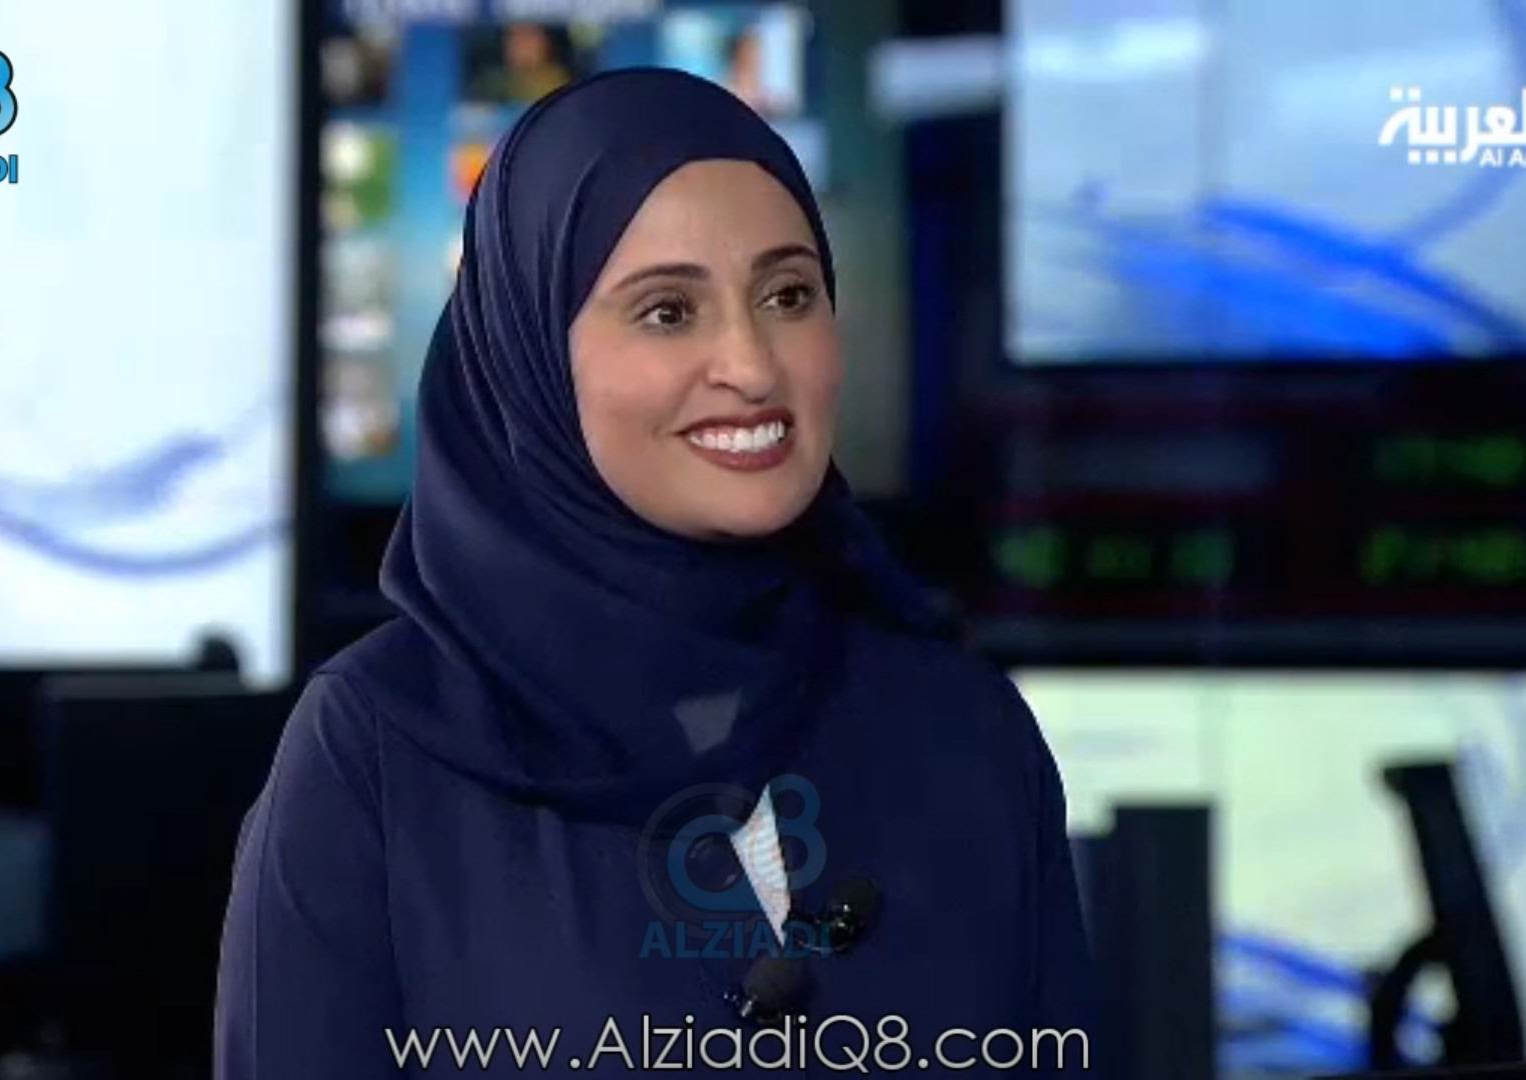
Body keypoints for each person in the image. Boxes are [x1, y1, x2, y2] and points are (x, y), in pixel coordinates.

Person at [215, 68, 1100, 1078]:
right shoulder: (375, 753)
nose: (752, 366)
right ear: (531, 357)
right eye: (669, 311)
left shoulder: (967, 733)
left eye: (788, 295)